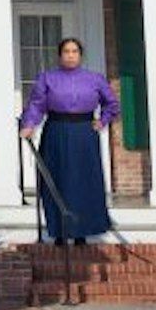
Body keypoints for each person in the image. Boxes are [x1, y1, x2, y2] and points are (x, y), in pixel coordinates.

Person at [19, 37, 119, 245]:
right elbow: (36, 104)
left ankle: (82, 231)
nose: (71, 55)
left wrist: (102, 121)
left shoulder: (95, 79)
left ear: (80, 55)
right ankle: (59, 231)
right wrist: (29, 124)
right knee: (57, 180)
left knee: (83, 182)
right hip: (56, 131)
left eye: (75, 52)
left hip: (84, 134)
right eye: (66, 51)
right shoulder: (47, 78)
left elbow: (112, 104)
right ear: (60, 55)